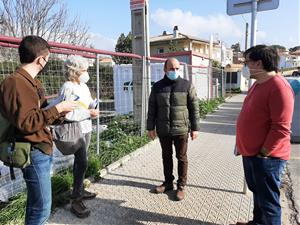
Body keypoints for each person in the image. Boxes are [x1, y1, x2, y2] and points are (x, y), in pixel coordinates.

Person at [0, 35, 76, 225]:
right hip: (32, 150)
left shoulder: (34, 82)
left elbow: (40, 114)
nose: (47, 62)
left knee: (38, 204)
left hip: (41, 147)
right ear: (41, 59)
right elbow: (27, 122)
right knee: (41, 207)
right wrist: (57, 109)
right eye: (47, 58)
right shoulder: (15, 83)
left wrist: (62, 112)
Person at [236, 45, 294, 225]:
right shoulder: (258, 84)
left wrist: (263, 153)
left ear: (259, 63)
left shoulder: (279, 87)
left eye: (247, 62)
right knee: (259, 195)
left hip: (267, 158)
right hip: (252, 154)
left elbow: (281, 128)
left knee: (269, 203)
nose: (245, 66)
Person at [147, 57, 200, 201]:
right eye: (171, 68)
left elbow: (194, 108)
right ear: (165, 69)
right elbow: (152, 108)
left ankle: (181, 186)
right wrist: (150, 127)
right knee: (166, 156)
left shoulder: (187, 85)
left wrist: (195, 128)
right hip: (163, 129)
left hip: (181, 129)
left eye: (177, 68)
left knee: (181, 157)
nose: (174, 71)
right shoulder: (157, 87)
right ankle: (168, 183)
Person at [56, 55, 99, 218]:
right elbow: (66, 113)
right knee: (81, 162)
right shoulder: (68, 87)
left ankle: (79, 189)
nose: (86, 73)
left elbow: (86, 105)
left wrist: (91, 108)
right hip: (76, 129)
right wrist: (88, 112)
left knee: (82, 161)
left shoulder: (83, 86)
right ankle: (76, 199)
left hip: (86, 126)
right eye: (84, 70)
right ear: (74, 71)